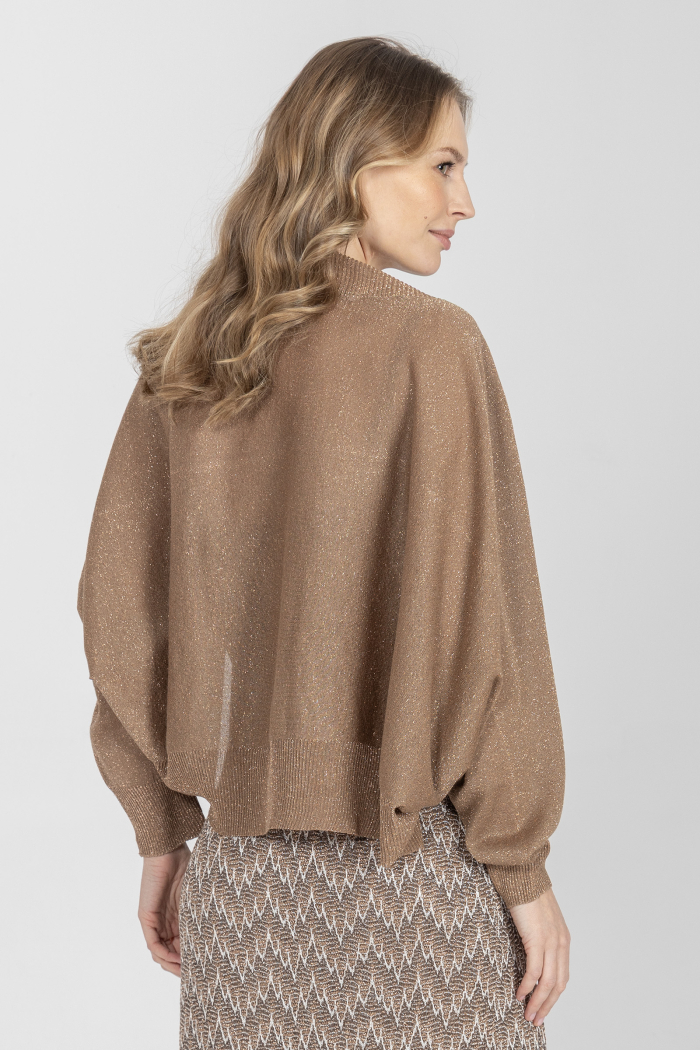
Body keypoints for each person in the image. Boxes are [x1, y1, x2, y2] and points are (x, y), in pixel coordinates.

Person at [77, 36, 569, 1050]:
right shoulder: (434, 345)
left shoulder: (193, 357)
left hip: (240, 893)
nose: (465, 201)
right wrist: (522, 871)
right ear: (355, 160)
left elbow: (117, 614)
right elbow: (491, 630)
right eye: (443, 164)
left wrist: (163, 830)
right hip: (413, 881)